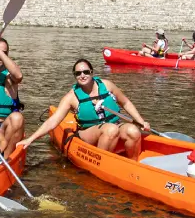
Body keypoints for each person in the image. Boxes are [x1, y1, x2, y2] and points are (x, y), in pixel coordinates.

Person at [21, 59, 150, 159]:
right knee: (111, 129)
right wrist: (30, 139)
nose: (82, 75)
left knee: (133, 131)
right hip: (88, 132)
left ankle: (132, 163)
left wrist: (141, 122)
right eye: (78, 73)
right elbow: (53, 121)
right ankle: (103, 163)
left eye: (86, 72)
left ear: (92, 72)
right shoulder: (71, 97)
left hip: (113, 126)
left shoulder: (107, 85)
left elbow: (125, 102)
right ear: (75, 76)